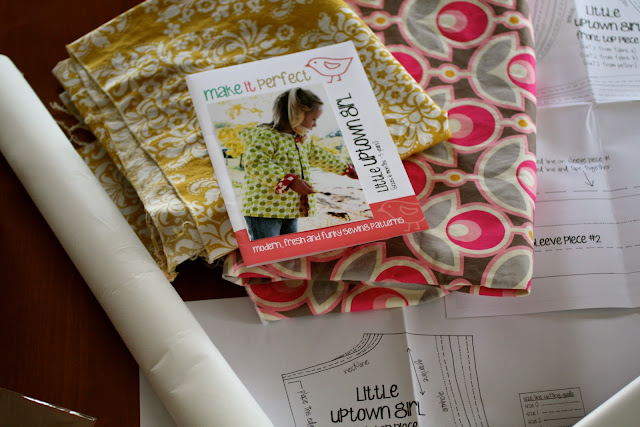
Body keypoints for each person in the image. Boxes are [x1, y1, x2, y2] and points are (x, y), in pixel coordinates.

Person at [242, 87, 358, 240]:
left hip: (289, 208)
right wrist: (291, 181)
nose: (315, 125)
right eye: (314, 119)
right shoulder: (265, 136)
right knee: (269, 248)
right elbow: (256, 163)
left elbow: (321, 156)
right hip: (264, 210)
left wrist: (347, 169)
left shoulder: (301, 140)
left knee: (290, 247)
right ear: (297, 115)